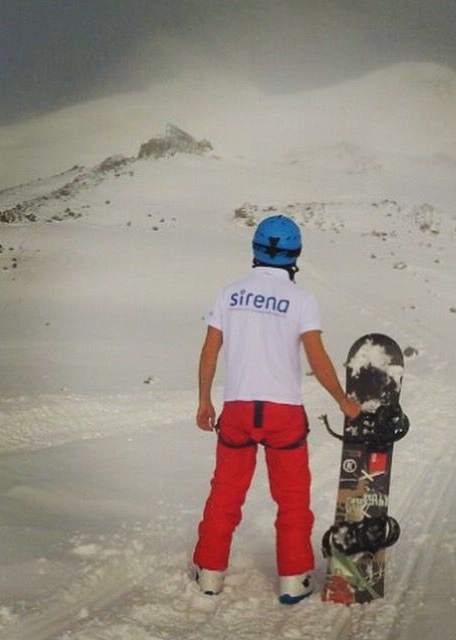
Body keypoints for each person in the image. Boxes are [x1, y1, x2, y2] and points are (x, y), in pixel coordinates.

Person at [191, 214, 361, 604]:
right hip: (284, 415)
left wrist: (204, 400)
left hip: (237, 410)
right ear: (295, 254)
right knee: (292, 498)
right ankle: (294, 579)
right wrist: (343, 401)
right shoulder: (302, 300)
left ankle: (209, 574)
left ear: (255, 248)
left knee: (225, 495)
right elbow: (317, 358)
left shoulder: (230, 294)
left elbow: (209, 351)